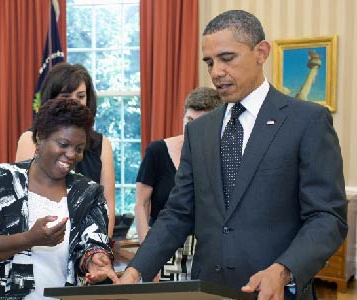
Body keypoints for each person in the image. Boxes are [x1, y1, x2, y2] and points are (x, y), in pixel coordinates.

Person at [117, 10, 347, 300]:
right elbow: (177, 214)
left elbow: (327, 217)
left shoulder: (307, 121)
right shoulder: (199, 132)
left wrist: (283, 269)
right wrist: (134, 271)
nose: (215, 72)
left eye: (227, 59)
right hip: (207, 290)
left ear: (261, 52)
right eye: (210, 62)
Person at [0, 98, 118, 300]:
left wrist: (96, 260)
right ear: (40, 138)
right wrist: (30, 239)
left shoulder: (88, 192)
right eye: (63, 144)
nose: (72, 154)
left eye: (79, 148)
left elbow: (92, 243)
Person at [15, 63, 116, 238]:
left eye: (81, 96)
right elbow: (22, 202)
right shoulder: (29, 140)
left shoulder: (102, 144)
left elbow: (108, 205)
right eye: (66, 95)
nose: (74, 101)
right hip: (42, 240)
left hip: (88, 246)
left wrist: (100, 248)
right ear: (51, 99)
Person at [134, 87, 222, 281]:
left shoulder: (223, 157)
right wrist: (147, 257)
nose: (191, 129)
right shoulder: (157, 151)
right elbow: (141, 205)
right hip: (164, 247)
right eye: (188, 121)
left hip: (206, 252)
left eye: (199, 123)